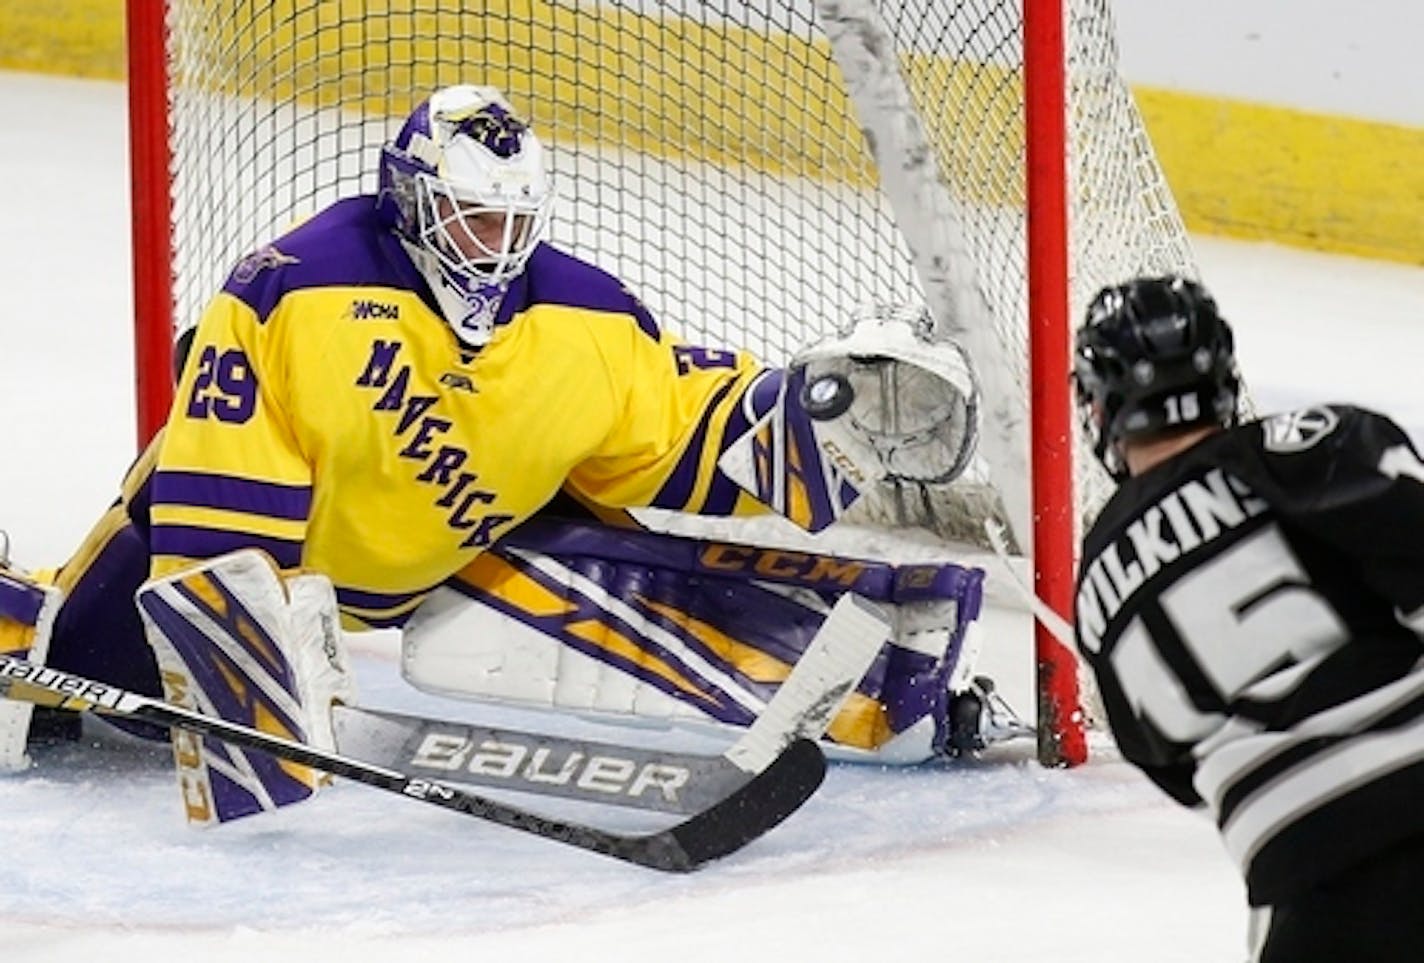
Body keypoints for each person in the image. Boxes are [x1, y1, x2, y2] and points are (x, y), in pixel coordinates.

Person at [0, 84, 994, 821]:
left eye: (513, 222)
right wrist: (251, 659)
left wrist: (807, 424)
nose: (491, 245)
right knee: (82, 691)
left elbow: (678, 432)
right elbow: (217, 500)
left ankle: (884, 690)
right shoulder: (293, 292)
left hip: (440, 558)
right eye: (471, 217)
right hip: (270, 546)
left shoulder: (586, 320)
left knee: (624, 570)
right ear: (410, 200)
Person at [1072, 273, 1424, 962]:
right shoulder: (1310, 445)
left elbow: (1171, 767)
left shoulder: (1095, 587)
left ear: (1102, 403)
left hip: (1301, 877)